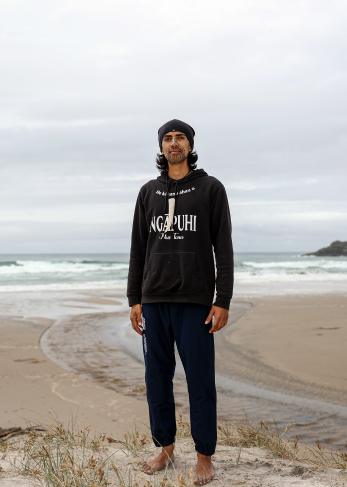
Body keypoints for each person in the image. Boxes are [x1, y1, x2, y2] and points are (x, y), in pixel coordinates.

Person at [127, 119, 234, 485]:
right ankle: (166, 448)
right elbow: (138, 250)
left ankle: (204, 456)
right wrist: (134, 298)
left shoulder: (210, 189)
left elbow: (224, 247)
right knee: (156, 377)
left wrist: (223, 299)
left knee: (199, 380)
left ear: (190, 145)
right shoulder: (147, 192)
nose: (174, 143)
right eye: (168, 138)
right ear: (161, 147)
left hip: (196, 301)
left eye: (180, 138)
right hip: (154, 300)